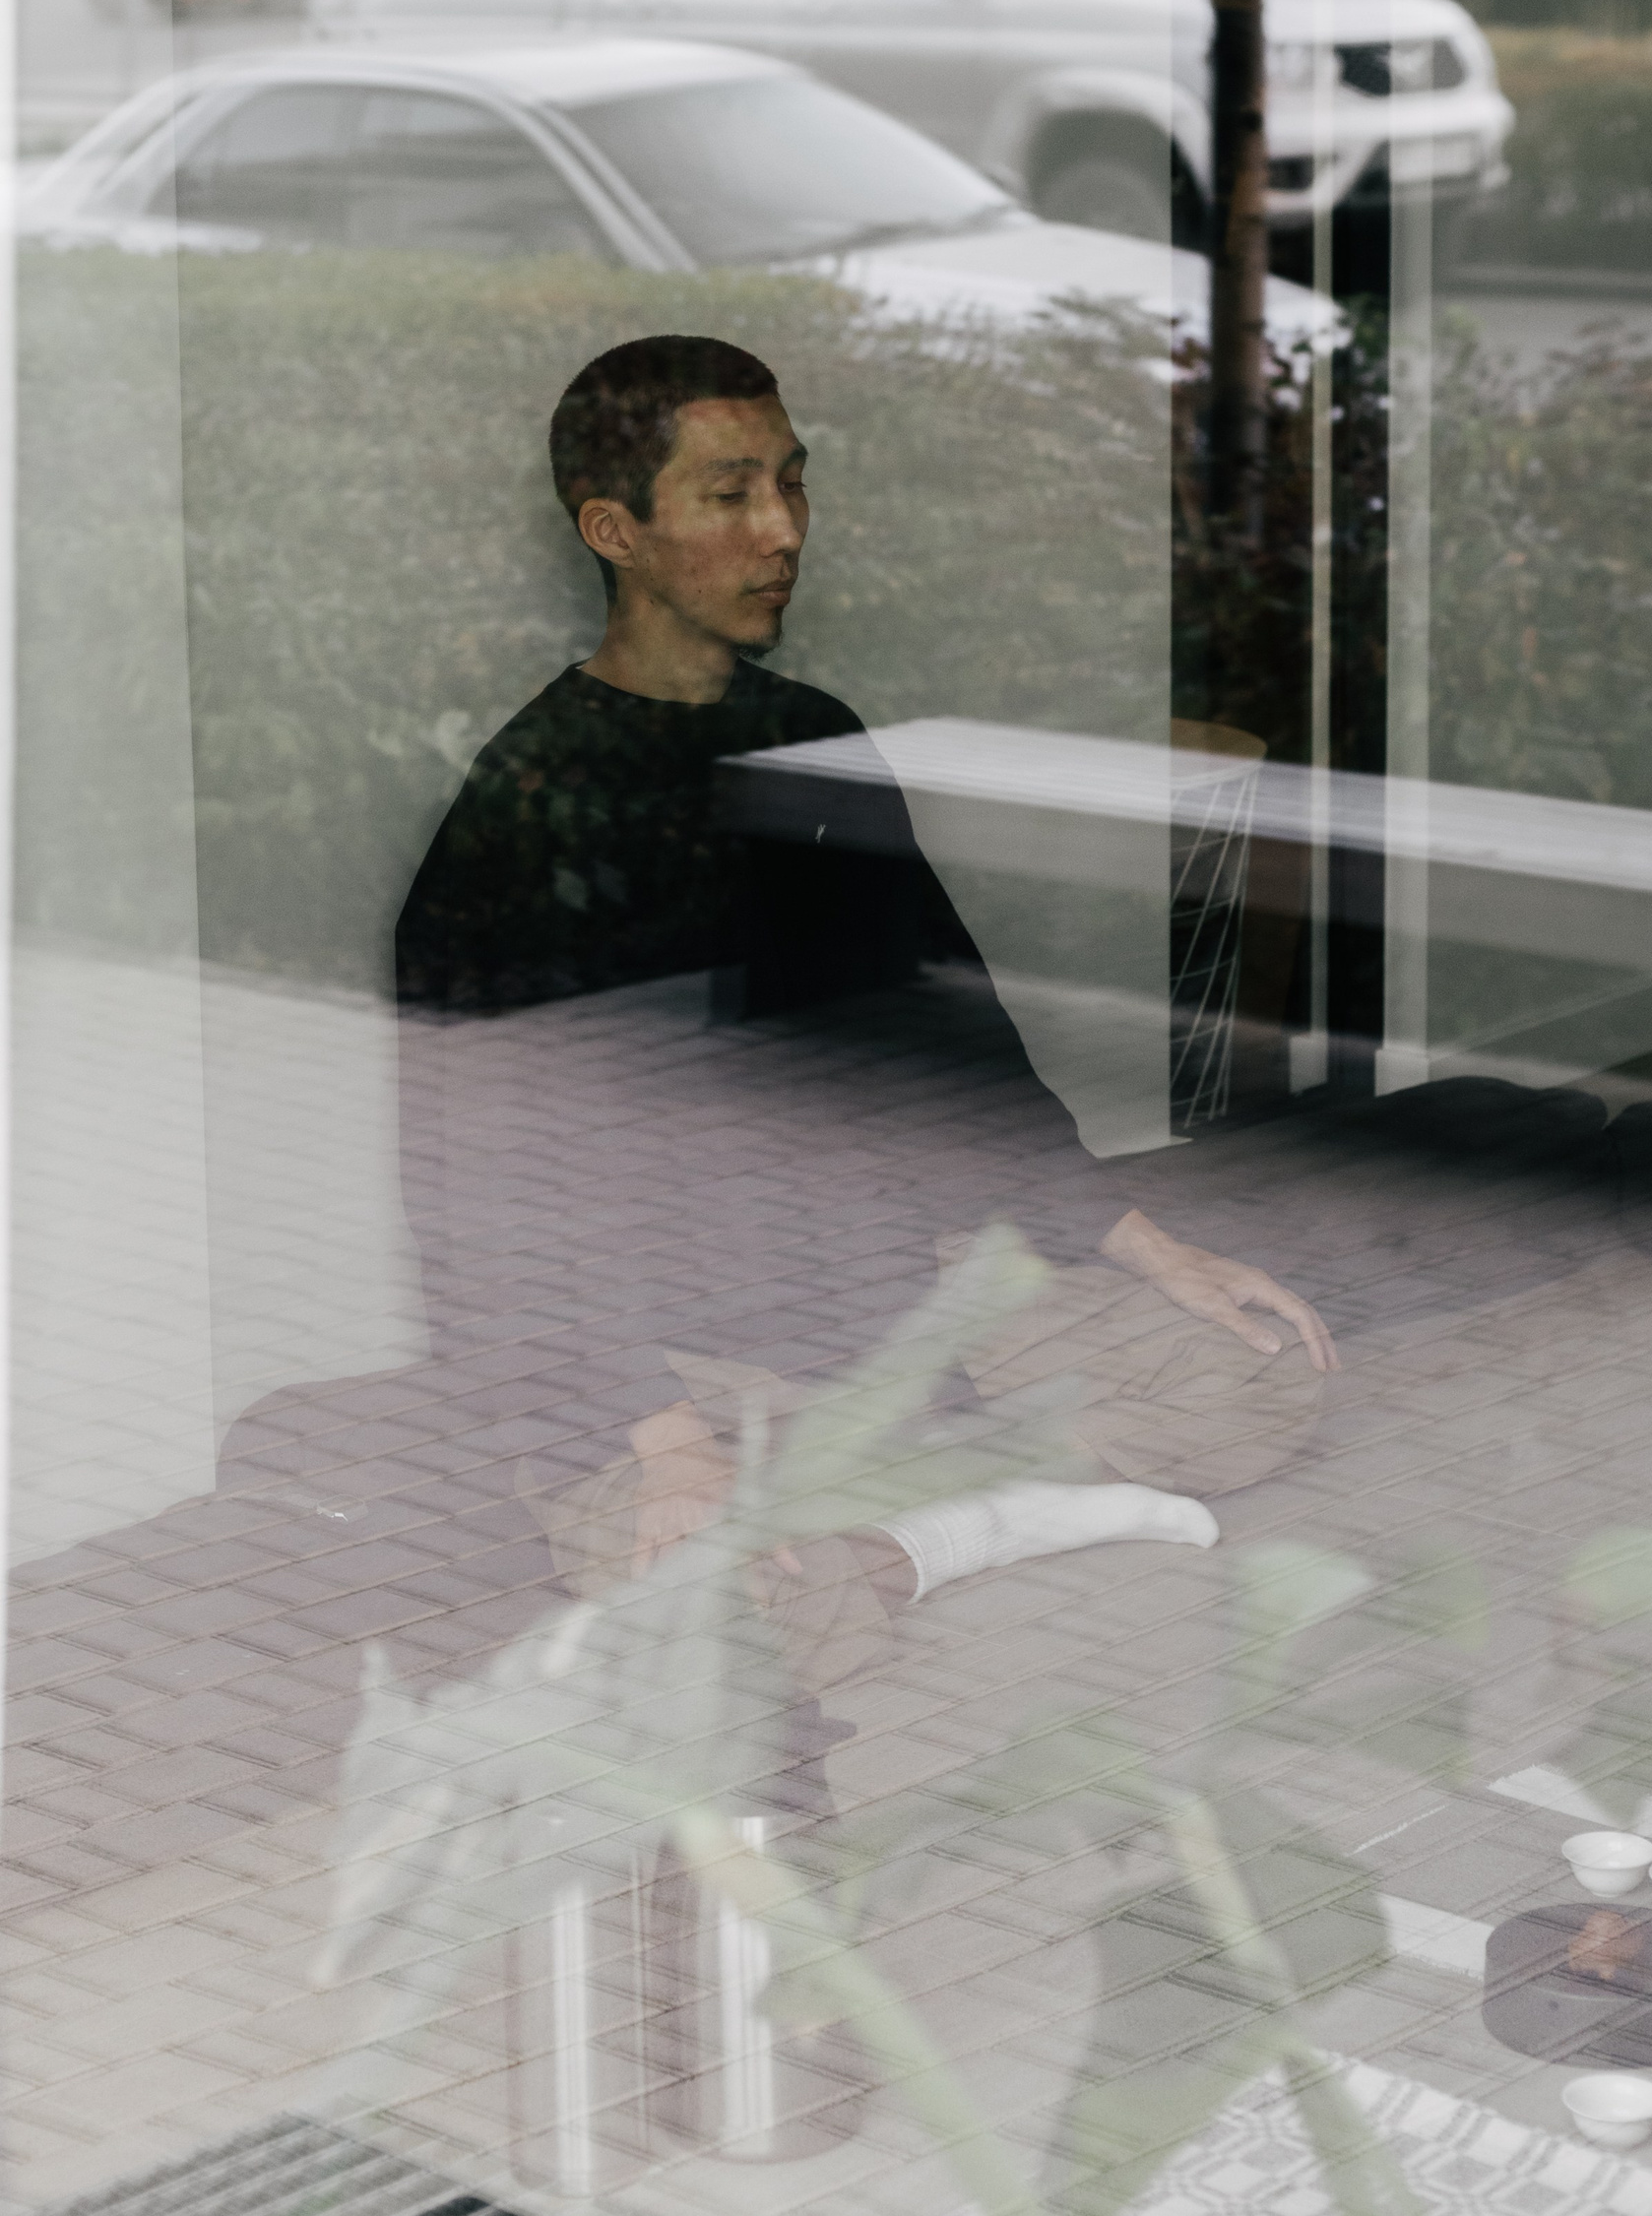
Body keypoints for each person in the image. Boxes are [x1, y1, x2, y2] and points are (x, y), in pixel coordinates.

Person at [394, 333, 1337, 1693]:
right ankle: (956, 1526)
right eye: (731, 494)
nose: (782, 529)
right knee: (736, 1634)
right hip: (666, 1365)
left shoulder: (815, 737)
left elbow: (953, 1040)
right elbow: (481, 1206)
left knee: (1261, 1366)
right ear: (616, 531)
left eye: (792, 482)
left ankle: (897, 1509)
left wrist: (1154, 1250)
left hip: (885, 1305)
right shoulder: (523, 815)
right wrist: (668, 1447)